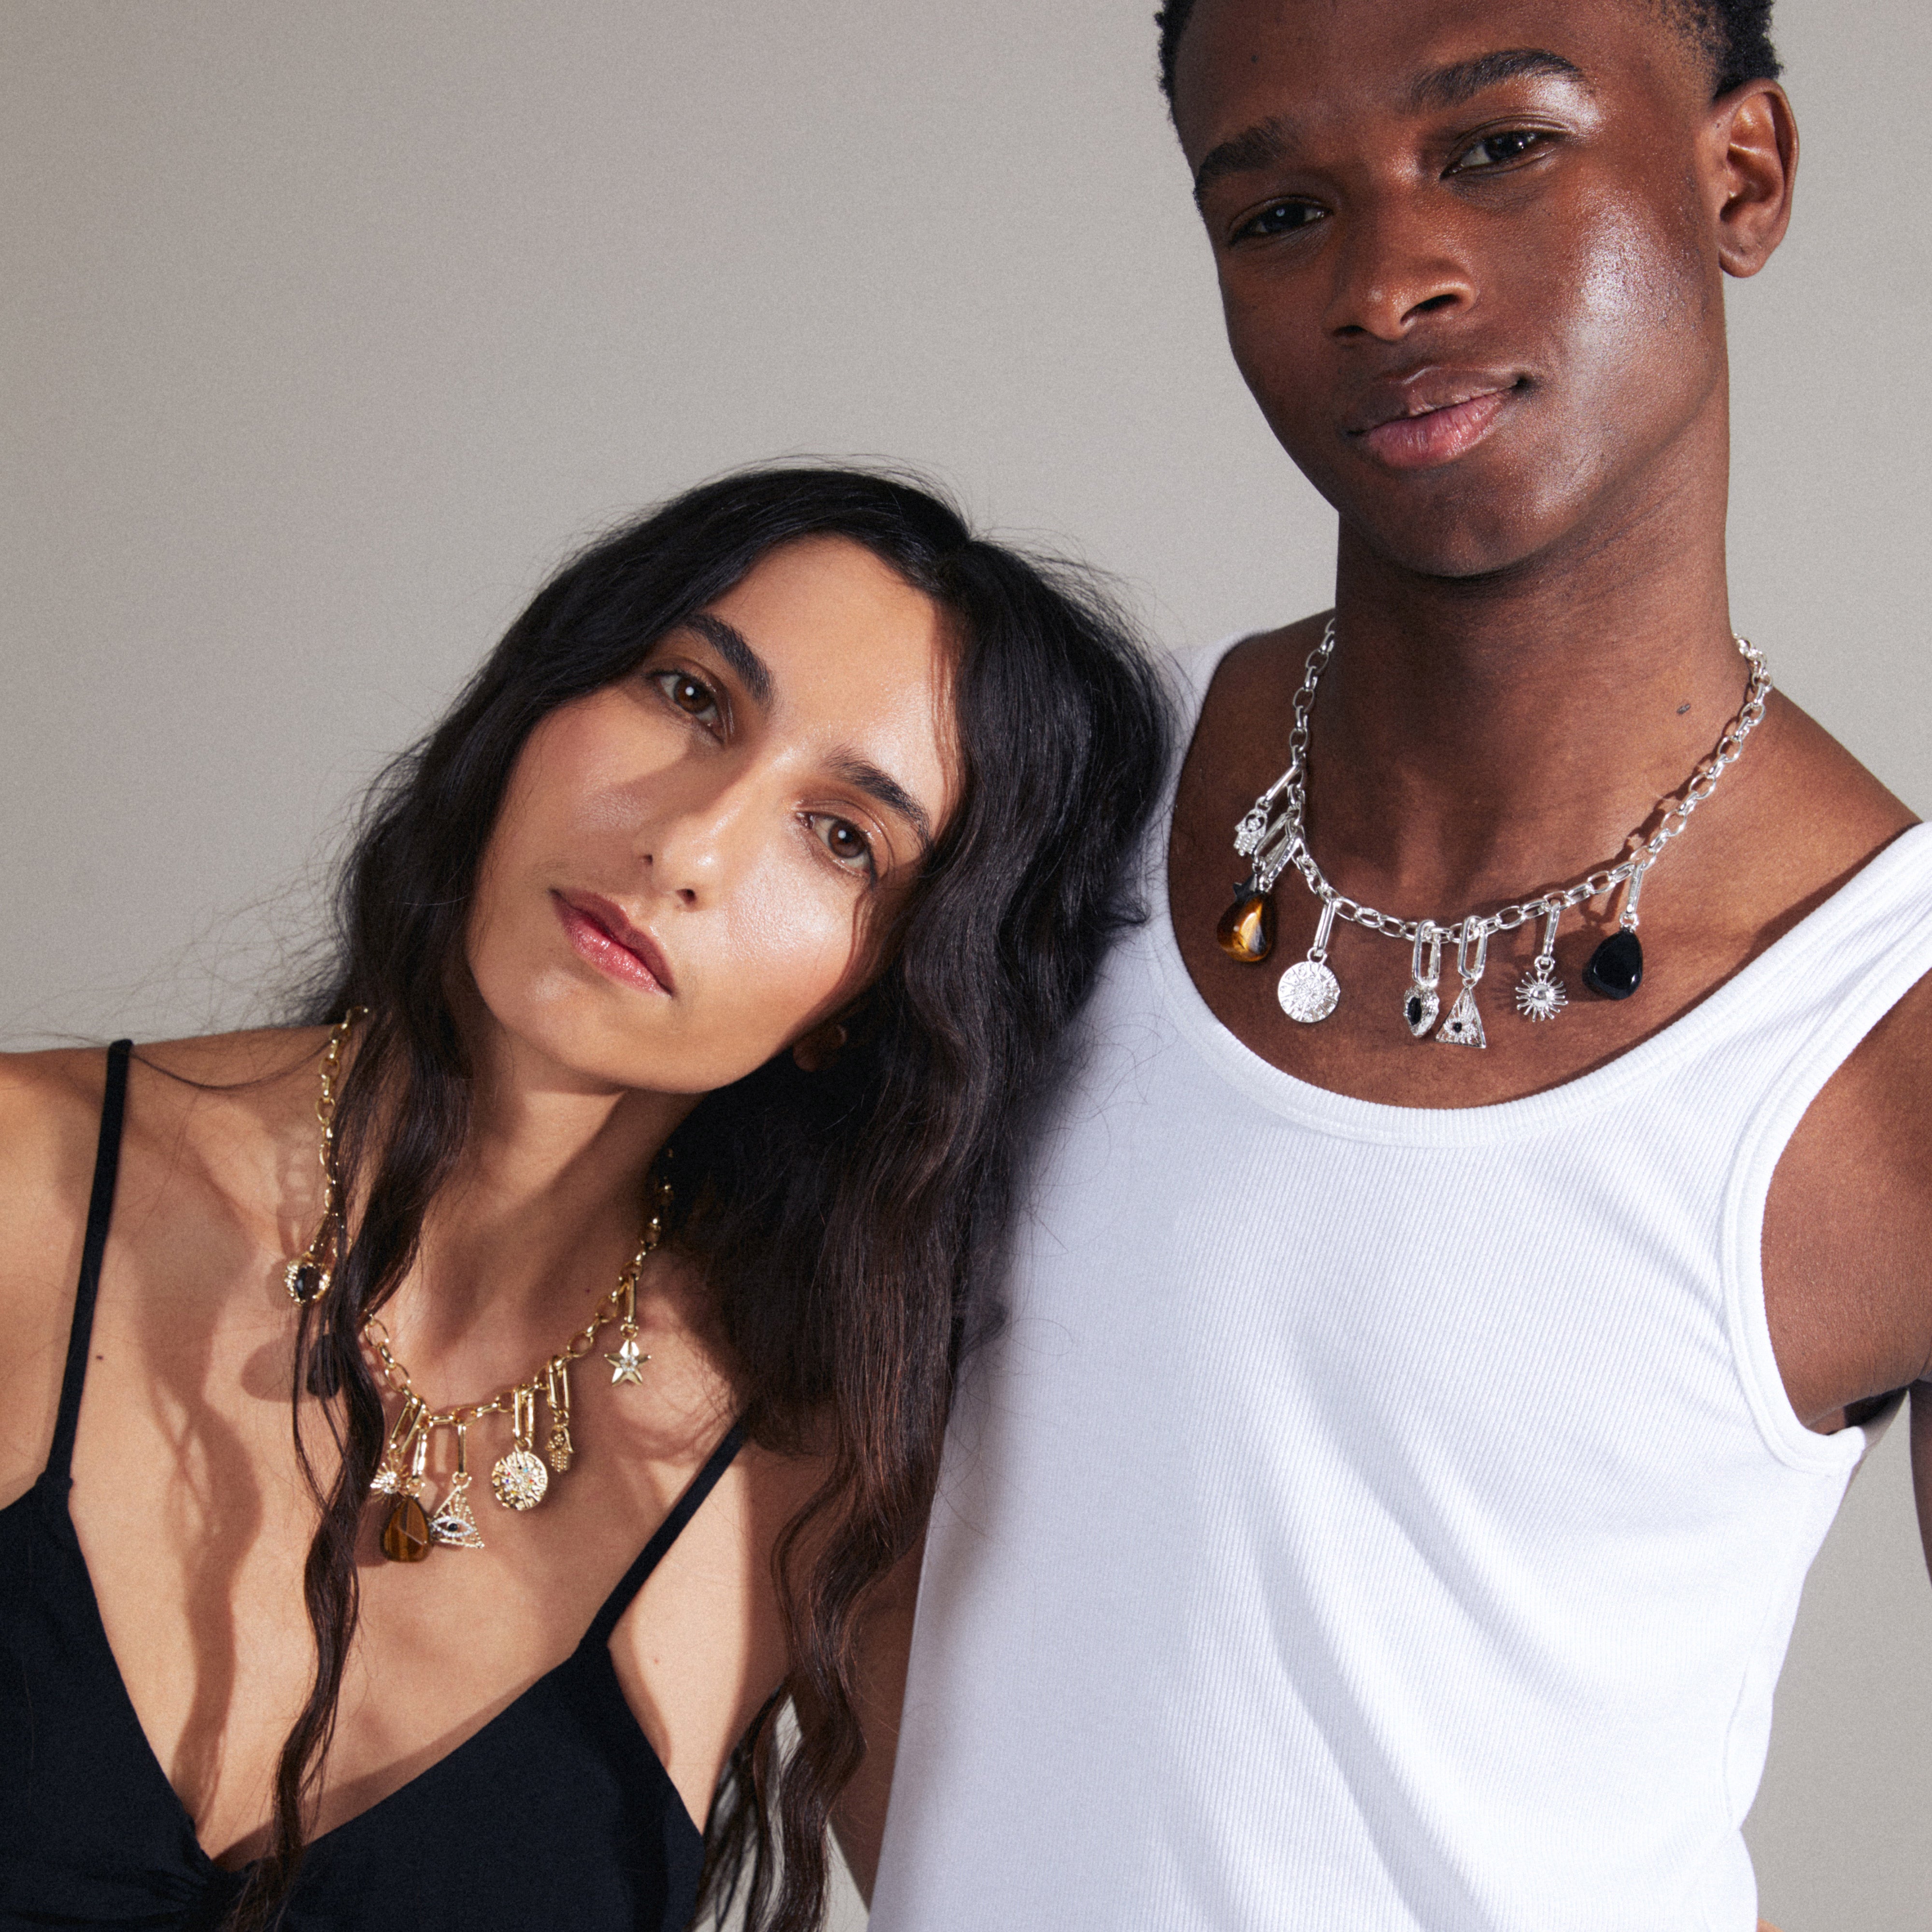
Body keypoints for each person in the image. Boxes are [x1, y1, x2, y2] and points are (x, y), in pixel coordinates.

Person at [862, 3, 1932, 1928]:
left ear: (1740, 173)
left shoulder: (1888, 1027)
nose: (1386, 281)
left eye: (1495, 146)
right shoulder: (1047, 793)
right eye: (1275, 213)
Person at [0, 465, 1170, 1932]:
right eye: (690, 697)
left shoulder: (806, 1476)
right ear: (537, 703)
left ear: (878, 1000)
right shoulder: (23, 1186)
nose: (684, 847)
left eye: (843, 836)